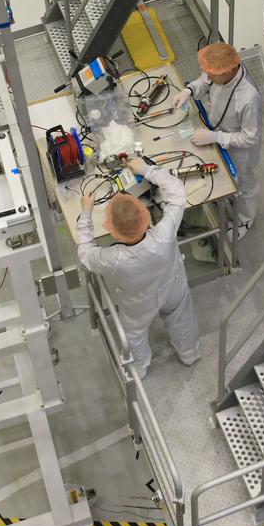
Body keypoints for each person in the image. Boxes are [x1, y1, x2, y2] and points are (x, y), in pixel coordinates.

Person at [78, 157, 200, 377]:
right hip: (173, 287)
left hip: (138, 304)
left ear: (113, 231)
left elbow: (85, 253)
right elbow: (177, 192)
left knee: (134, 335)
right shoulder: (164, 233)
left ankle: (139, 370)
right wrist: (146, 169)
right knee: (182, 319)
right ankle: (189, 353)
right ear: (144, 216)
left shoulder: (112, 258)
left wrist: (86, 213)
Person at [172, 42, 262, 239]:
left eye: (211, 73)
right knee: (225, 179)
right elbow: (204, 82)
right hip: (218, 134)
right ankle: (227, 199)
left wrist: (215, 137)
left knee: (243, 185)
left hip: (240, 151)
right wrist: (188, 91)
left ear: (228, 71)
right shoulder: (219, 73)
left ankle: (246, 218)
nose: (208, 75)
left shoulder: (248, 98)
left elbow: (250, 138)